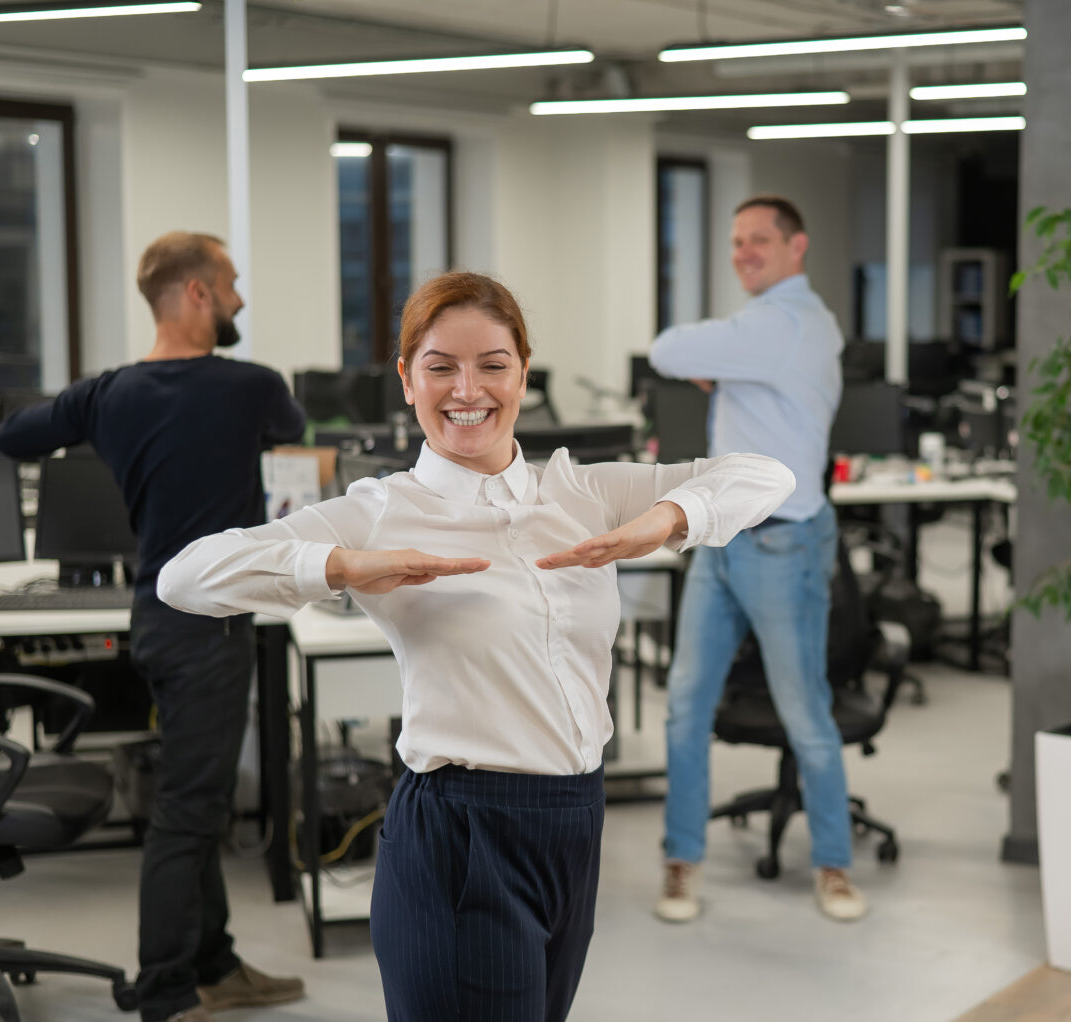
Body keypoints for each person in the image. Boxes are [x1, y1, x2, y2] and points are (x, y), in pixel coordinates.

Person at [157, 270, 795, 1021]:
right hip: (463, 836)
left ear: (523, 369)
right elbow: (185, 576)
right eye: (440, 366)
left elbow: (765, 474)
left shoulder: (580, 492)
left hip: (575, 824)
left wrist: (667, 519)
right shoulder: (382, 510)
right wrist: (341, 565)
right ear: (406, 379)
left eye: (493, 364)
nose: (469, 389)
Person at [0, 232, 308, 1022]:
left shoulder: (109, 394)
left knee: (191, 799)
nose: (239, 298)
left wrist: (93, 410)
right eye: (230, 283)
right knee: (187, 812)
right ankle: (169, 991)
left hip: (156, 621)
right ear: (197, 292)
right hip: (211, 628)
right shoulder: (251, 388)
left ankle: (215, 963)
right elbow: (297, 432)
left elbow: (11, 436)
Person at [648, 194, 864, 923]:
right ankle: (682, 861)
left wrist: (715, 361)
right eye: (736, 240)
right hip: (721, 536)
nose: (744, 252)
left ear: (797, 247)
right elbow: (708, 365)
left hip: (783, 544)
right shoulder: (774, 330)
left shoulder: (785, 321)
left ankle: (835, 866)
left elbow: (666, 349)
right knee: (684, 706)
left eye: (759, 241)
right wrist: (726, 368)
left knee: (806, 713)